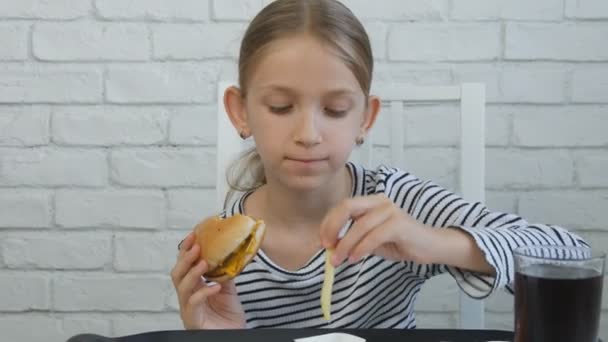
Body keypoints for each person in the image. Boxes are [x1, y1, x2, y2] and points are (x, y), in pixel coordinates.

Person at [171, 0, 589, 330]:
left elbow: (571, 257)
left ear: (365, 119)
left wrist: (433, 242)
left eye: (335, 110)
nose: (309, 133)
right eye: (281, 106)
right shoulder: (219, 251)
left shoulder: (395, 203)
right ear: (240, 111)